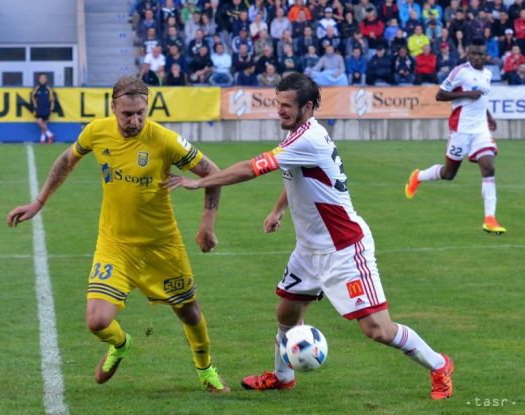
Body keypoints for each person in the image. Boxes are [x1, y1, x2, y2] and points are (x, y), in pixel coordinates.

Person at [164, 72, 454, 400]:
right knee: (287, 312)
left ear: (310, 107)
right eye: (278, 104)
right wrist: (279, 210)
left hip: (343, 248)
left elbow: (251, 168)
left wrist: (201, 181)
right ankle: (282, 377)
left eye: (287, 106)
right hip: (309, 249)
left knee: (378, 330)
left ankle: (439, 364)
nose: (280, 111)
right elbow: (298, 176)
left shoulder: (308, 139)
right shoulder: (299, 137)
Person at [7, 77, 229, 393]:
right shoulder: (97, 132)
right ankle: (121, 344)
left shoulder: (165, 140)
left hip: (161, 246)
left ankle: (207, 372)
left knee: (189, 311)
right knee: (96, 321)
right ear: (113, 107)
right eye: (127, 114)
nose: (135, 121)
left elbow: (213, 172)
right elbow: (65, 161)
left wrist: (207, 224)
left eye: (141, 113)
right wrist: (38, 201)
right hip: (115, 245)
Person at [405, 40, 505, 235]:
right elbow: (439, 95)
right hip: (460, 129)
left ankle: (490, 219)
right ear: (468, 55)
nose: (478, 58)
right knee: (449, 174)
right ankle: (418, 176)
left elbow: (481, 99)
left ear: (486, 55)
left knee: (489, 166)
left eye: (481, 54)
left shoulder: (487, 74)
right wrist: (468, 94)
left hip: (480, 129)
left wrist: (489, 116)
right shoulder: (460, 71)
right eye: (474, 54)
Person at [30, 74, 56, 144]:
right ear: (39, 80)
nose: (42, 80)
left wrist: (51, 108)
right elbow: (32, 97)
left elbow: (52, 99)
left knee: (44, 124)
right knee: (38, 122)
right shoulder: (37, 88)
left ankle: (43, 139)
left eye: (44, 78)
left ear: (46, 80)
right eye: (41, 78)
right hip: (39, 109)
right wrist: (34, 108)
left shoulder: (48, 89)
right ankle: (50, 134)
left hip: (46, 109)